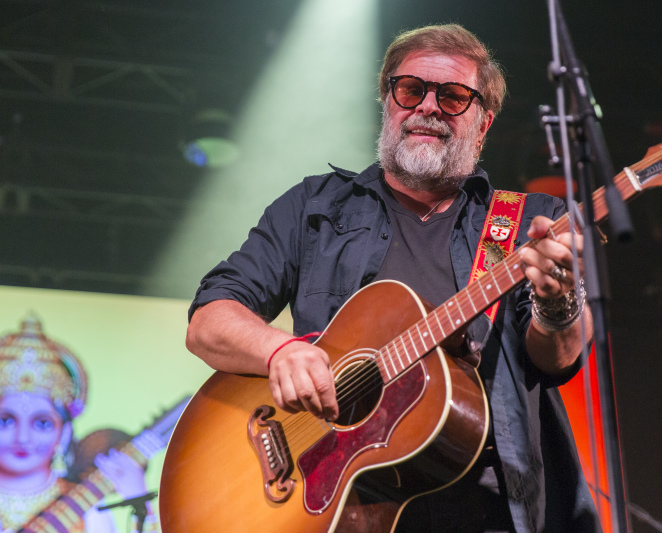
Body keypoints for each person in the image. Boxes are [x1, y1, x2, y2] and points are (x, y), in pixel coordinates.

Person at [186, 23, 600, 533]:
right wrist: (279, 351)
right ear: (388, 102)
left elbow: (557, 360)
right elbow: (208, 321)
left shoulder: (526, 223)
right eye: (411, 89)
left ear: (483, 123)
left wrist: (558, 304)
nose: (428, 107)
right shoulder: (314, 207)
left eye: (452, 97)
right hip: (333, 510)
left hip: (486, 512)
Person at [0, 314, 152, 533]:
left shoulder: (86, 505)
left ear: (64, 433)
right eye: (5, 421)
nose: (22, 437)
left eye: (42, 423)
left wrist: (140, 501)